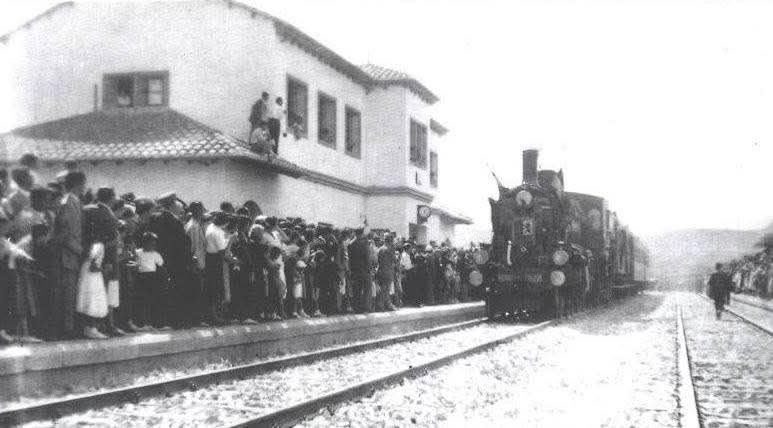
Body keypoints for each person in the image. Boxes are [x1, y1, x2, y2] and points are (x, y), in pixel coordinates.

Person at [51, 171, 86, 339]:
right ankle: (66, 329)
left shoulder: (74, 201)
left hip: (72, 254)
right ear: (80, 184)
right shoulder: (68, 203)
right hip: (67, 256)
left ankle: (69, 327)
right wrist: (79, 250)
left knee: (70, 295)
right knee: (67, 295)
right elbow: (65, 232)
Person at [135, 232, 166, 330]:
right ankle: (143, 323)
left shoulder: (155, 254)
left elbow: (160, 263)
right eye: (151, 242)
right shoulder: (138, 252)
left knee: (152, 300)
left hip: (152, 277)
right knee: (143, 300)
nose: (153, 245)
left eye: (154, 243)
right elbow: (135, 263)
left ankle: (152, 323)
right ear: (144, 243)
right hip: (141, 277)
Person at [185, 201, 207, 327]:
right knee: (196, 291)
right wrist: (195, 264)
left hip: (199, 262)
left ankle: (196, 319)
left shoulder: (196, 224)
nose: (203, 211)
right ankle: (196, 320)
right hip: (196, 264)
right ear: (197, 211)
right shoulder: (193, 226)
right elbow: (192, 247)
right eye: (202, 209)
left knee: (198, 291)